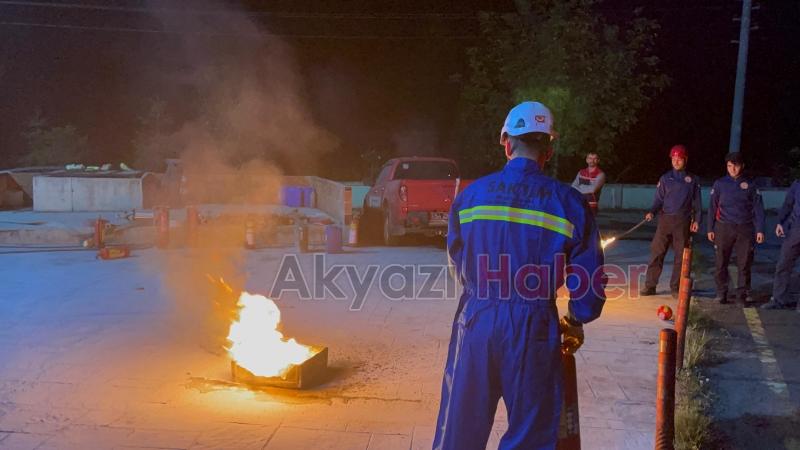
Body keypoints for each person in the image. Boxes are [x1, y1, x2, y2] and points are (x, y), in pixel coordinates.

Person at [433, 101, 605, 450]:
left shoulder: (471, 197)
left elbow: (457, 254)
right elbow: (589, 280)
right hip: (535, 328)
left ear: (507, 144)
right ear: (549, 150)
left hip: (477, 320)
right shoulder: (569, 202)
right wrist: (576, 317)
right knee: (531, 433)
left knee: (459, 428)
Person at [640, 145, 702, 298]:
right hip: (665, 221)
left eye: (679, 159)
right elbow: (658, 200)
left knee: (680, 257)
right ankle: (650, 285)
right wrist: (651, 212)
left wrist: (697, 221)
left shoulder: (692, 180)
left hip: (683, 221)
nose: (676, 161)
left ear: (685, 160)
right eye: (673, 159)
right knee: (657, 253)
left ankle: (676, 287)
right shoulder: (665, 178)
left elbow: (698, 204)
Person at [707, 152, 765, 304]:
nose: (732, 169)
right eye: (729, 166)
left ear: (742, 166)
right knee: (720, 262)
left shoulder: (750, 185)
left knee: (744, 263)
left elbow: (758, 208)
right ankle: (721, 293)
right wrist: (710, 228)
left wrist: (759, 229)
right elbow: (712, 208)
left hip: (745, 229)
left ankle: (742, 295)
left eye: (736, 166)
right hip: (723, 227)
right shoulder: (720, 184)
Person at [761, 179, 800, 310]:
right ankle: (779, 299)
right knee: (783, 264)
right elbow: (788, 204)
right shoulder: (797, 184)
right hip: (795, 231)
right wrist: (780, 222)